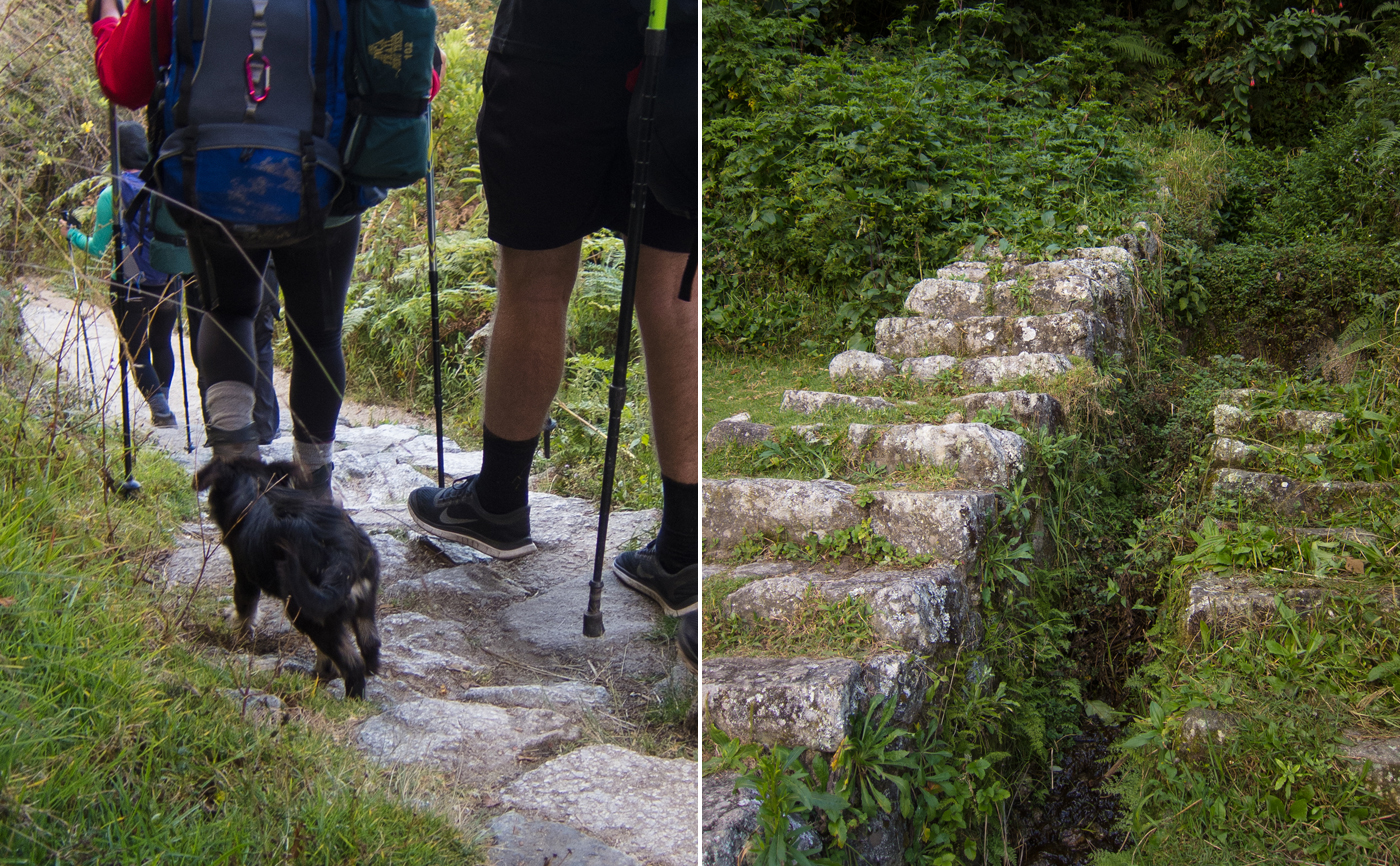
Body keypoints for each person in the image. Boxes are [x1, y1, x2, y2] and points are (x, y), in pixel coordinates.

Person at [404, 0, 699, 669]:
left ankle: (500, 501)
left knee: (535, 279)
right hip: (680, 45)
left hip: (554, 42)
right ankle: (684, 547)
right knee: (675, 290)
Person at [83, 0, 436, 501]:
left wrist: (106, 16)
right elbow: (417, 80)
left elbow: (123, 81)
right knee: (319, 331)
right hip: (327, 187)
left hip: (211, 177)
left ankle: (237, 477)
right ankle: (315, 488)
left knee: (227, 311)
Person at [59, 120, 180, 429]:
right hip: (169, 275)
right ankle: (161, 400)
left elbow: (100, 249)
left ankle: (161, 409)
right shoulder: (167, 184)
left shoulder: (109, 195)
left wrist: (71, 234)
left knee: (135, 347)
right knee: (162, 341)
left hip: (130, 276)